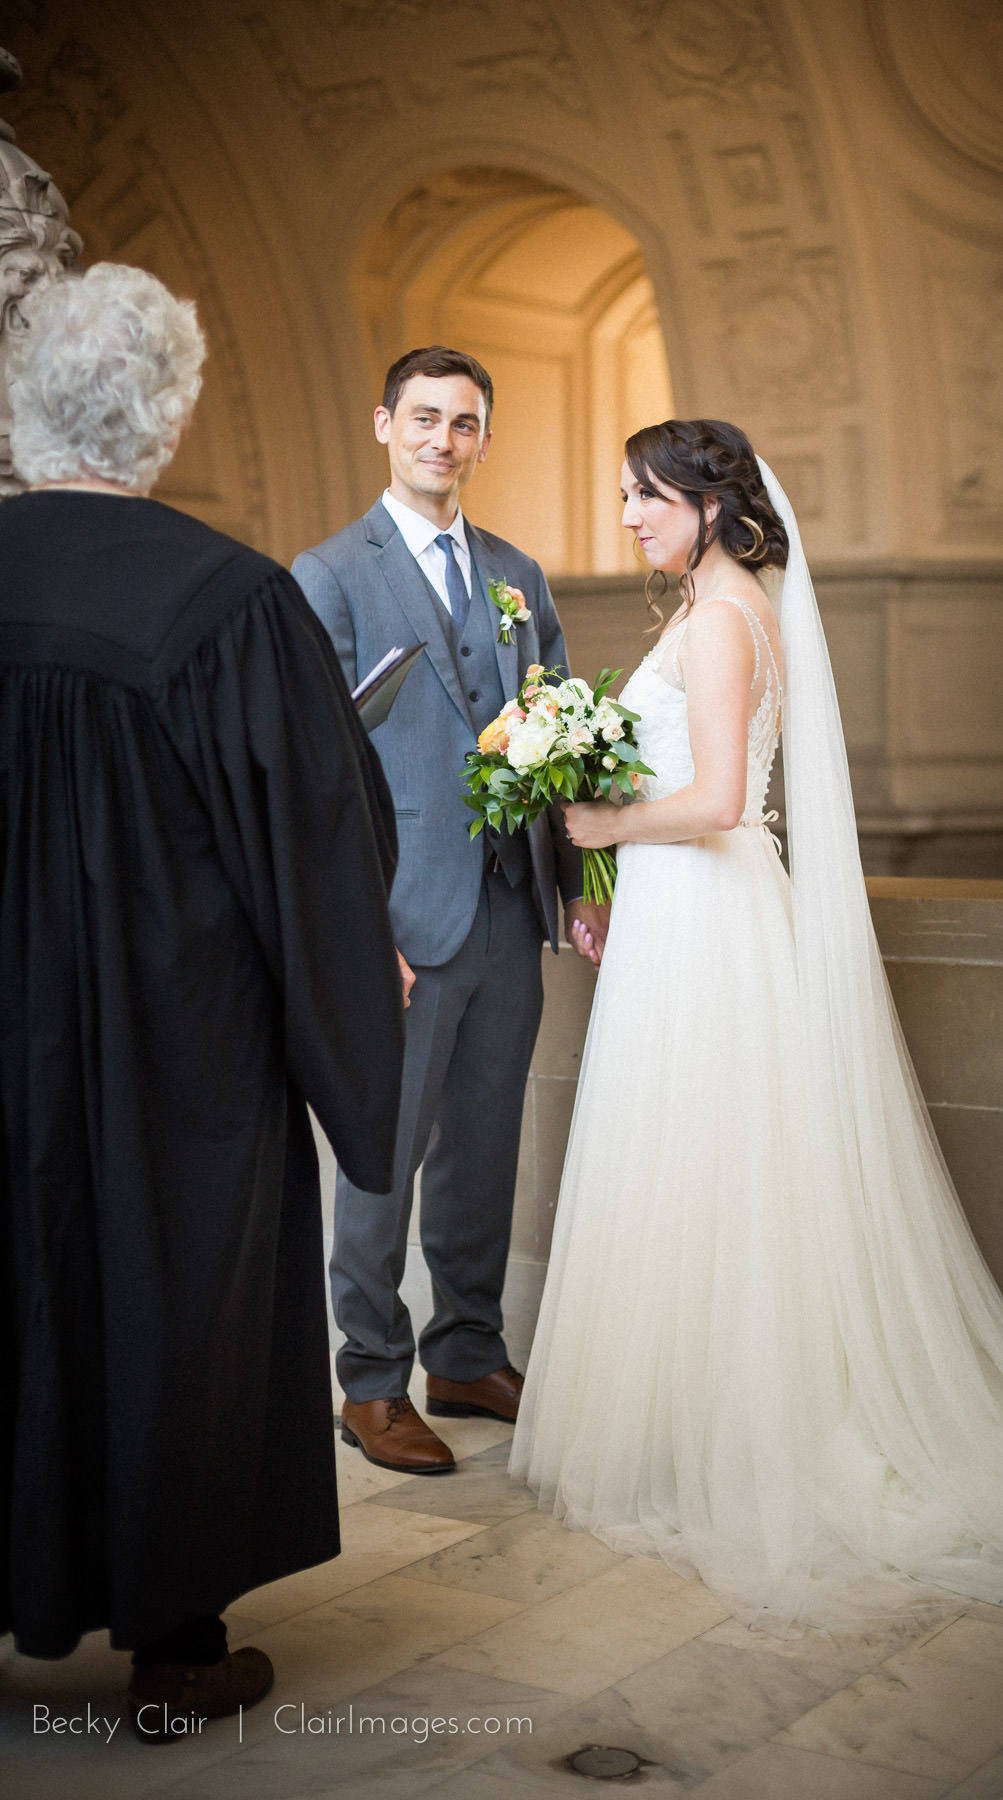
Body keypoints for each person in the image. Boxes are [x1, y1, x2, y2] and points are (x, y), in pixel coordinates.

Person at [511, 417, 1003, 1635]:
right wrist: (618, 865)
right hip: (684, 919)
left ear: (710, 506)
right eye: (626, 494)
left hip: (715, 926)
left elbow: (722, 799)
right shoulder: (699, 610)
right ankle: (695, 1423)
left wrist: (607, 831)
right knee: (695, 1169)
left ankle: (746, 1445)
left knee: (721, 1170)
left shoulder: (723, 621)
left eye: (645, 497)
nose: (627, 515)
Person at [0, 263, 406, 1735]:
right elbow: (320, 840)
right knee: (169, 1304)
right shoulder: (231, 603)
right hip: (176, 1062)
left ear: (19, 403)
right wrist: (354, 1038)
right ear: (168, 418)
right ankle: (174, 1647)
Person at [292, 347, 604, 1477]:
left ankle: (466, 1352)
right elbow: (313, 777)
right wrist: (352, 929)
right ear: (383, 424)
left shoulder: (519, 572)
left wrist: (578, 891)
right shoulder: (328, 574)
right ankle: (368, 1381)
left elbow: (563, 733)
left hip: (508, 910)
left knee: (483, 1145)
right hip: (397, 923)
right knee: (380, 1156)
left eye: (463, 423)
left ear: (482, 438)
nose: (442, 439)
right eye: (422, 418)